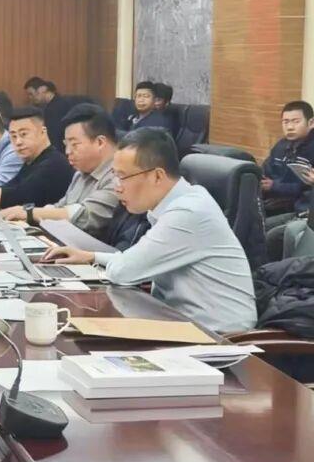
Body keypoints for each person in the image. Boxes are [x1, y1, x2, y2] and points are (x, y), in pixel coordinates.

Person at [43, 128, 256, 332]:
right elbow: (134, 261)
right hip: (178, 322)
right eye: (115, 175)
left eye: (123, 177)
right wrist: (91, 256)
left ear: (157, 176)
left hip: (219, 336)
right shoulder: (181, 200)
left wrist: (109, 262)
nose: (117, 187)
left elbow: (123, 271)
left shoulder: (187, 212)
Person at [0, 104, 119, 239]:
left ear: (100, 142)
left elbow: (85, 216)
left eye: (74, 144)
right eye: (66, 145)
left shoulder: (118, 175)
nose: (68, 151)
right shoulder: (81, 173)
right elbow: (61, 206)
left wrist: (28, 213)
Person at [262, 101, 314, 260]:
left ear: (311, 123)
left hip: (302, 208)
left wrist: (275, 187)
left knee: (272, 236)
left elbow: (302, 188)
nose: (290, 127)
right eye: (286, 122)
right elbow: (266, 169)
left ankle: (279, 270)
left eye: (295, 122)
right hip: (286, 203)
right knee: (256, 226)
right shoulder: (281, 145)